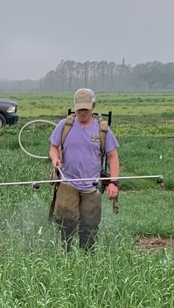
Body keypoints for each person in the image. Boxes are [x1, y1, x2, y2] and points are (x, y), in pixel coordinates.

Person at [48, 88, 120, 249]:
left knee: (89, 224)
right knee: (66, 221)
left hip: (92, 186)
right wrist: (55, 158)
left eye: (85, 109)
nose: (82, 113)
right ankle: (65, 252)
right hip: (68, 182)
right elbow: (53, 147)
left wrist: (113, 183)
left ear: (93, 107)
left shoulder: (102, 129)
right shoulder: (64, 125)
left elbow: (113, 157)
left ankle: (87, 254)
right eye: (79, 109)